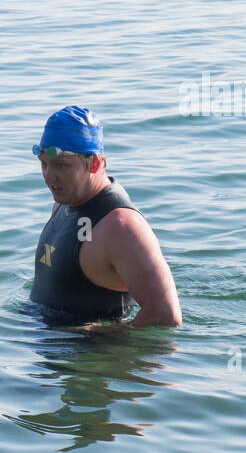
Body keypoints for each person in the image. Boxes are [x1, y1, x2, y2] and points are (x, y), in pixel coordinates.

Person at [29, 106, 181, 328]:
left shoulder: (121, 226)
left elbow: (166, 317)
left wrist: (101, 336)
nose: (49, 176)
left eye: (61, 165)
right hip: (45, 348)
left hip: (87, 359)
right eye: (44, 164)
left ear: (95, 163)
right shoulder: (64, 204)